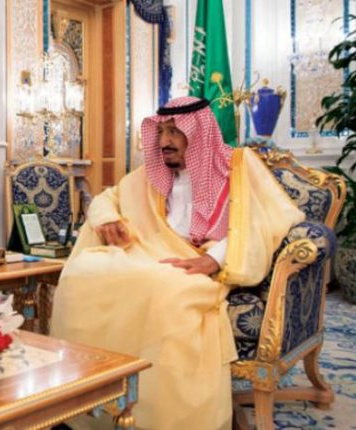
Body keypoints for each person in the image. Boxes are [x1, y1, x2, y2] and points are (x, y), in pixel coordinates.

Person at [50, 96, 304, 429]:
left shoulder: (239, 165)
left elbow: (267, 220)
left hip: (200, 262)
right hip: (149, 253)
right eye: (161, 131)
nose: (164, 142)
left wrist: (215, 258)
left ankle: (157, 415)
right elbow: (107, 198)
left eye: (174, 132)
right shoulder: (152, 173)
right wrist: (107, 217)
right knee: (83, 273)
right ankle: (89, 400)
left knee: (165, 291)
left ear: (198, 132)